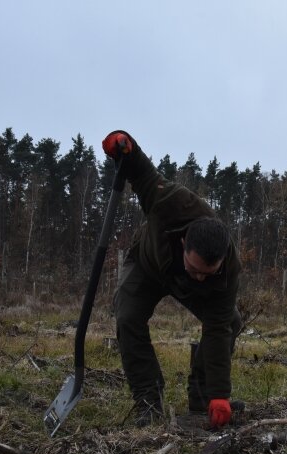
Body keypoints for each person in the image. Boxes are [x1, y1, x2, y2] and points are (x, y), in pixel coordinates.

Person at [102, 130, 242, 428]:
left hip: (184, 286)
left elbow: (217, 329)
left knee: (230, 322)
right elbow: (142, 172)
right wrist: (124, 145)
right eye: (195, 270)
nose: (202, 278)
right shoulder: (171, 202)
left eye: (209, 273)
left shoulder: (228, 269)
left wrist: (220, 394)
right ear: (184, 245)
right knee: (127, 317)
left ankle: (202, 399)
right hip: (148, 263)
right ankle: (148, 401)